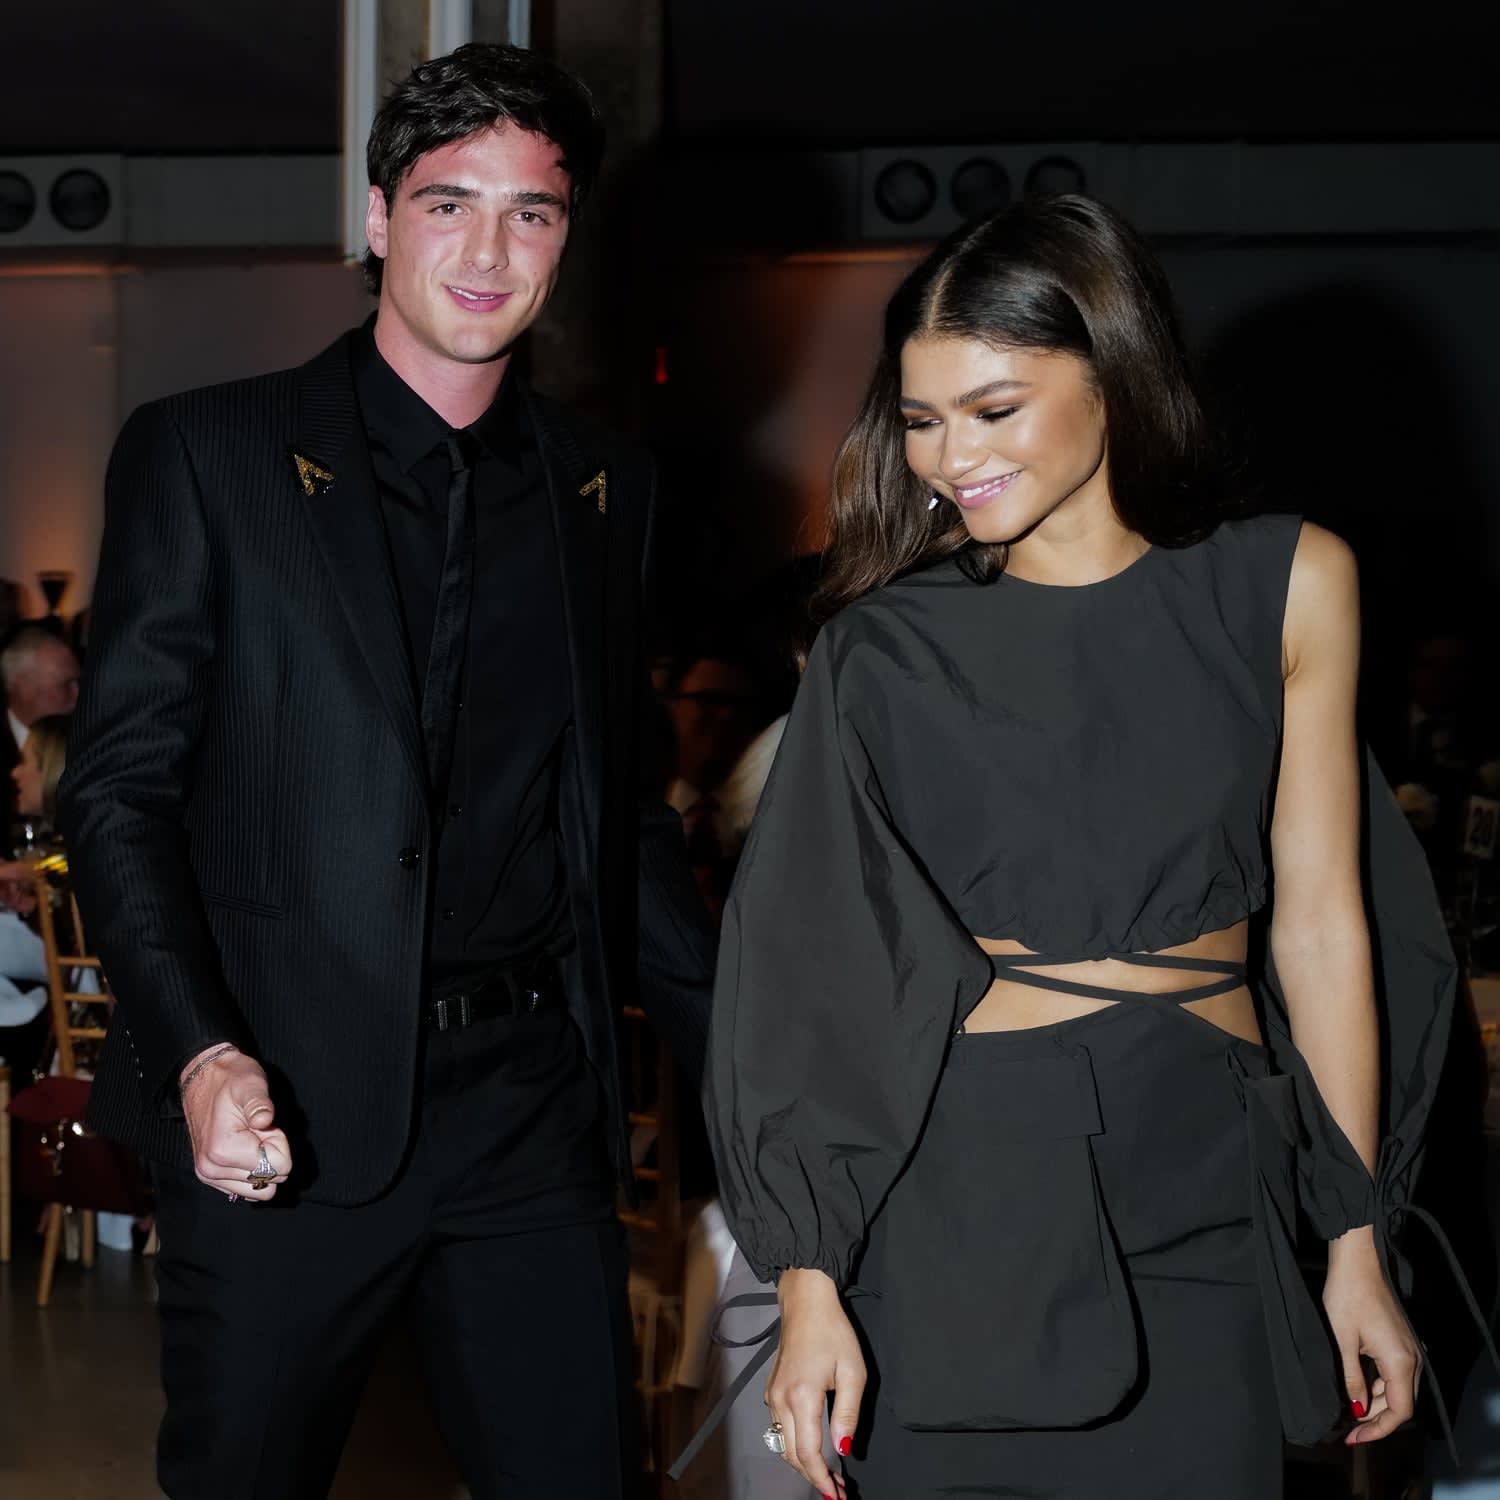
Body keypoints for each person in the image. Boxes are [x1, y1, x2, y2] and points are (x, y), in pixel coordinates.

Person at [705, 196, 1457, 1500]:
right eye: (923, 419)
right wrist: (811, 1285)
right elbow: (813, 972)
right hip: (960, 1192)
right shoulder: (882, 649)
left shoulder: (1285, 582)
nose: (951, 457)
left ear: (1113, 374)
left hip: (1206, 1177)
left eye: (993, 409)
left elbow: (1324, 927)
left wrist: (1357, 1240)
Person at [59, 43, 714, 1500]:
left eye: (531, 213)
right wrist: (202, 1051)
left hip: (527, 1105)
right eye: (447, 203)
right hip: (284, 1100)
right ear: (375, 217)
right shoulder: (208, 455)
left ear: (566, 237)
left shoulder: (607, 488)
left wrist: (759, 1067)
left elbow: (617, 821)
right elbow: (115, 794)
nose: (488, 252)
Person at [1, 625, 80, 774]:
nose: (77, 696)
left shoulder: (83, 738)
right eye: (65, 685)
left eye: (79, 682)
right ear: (24, 688)